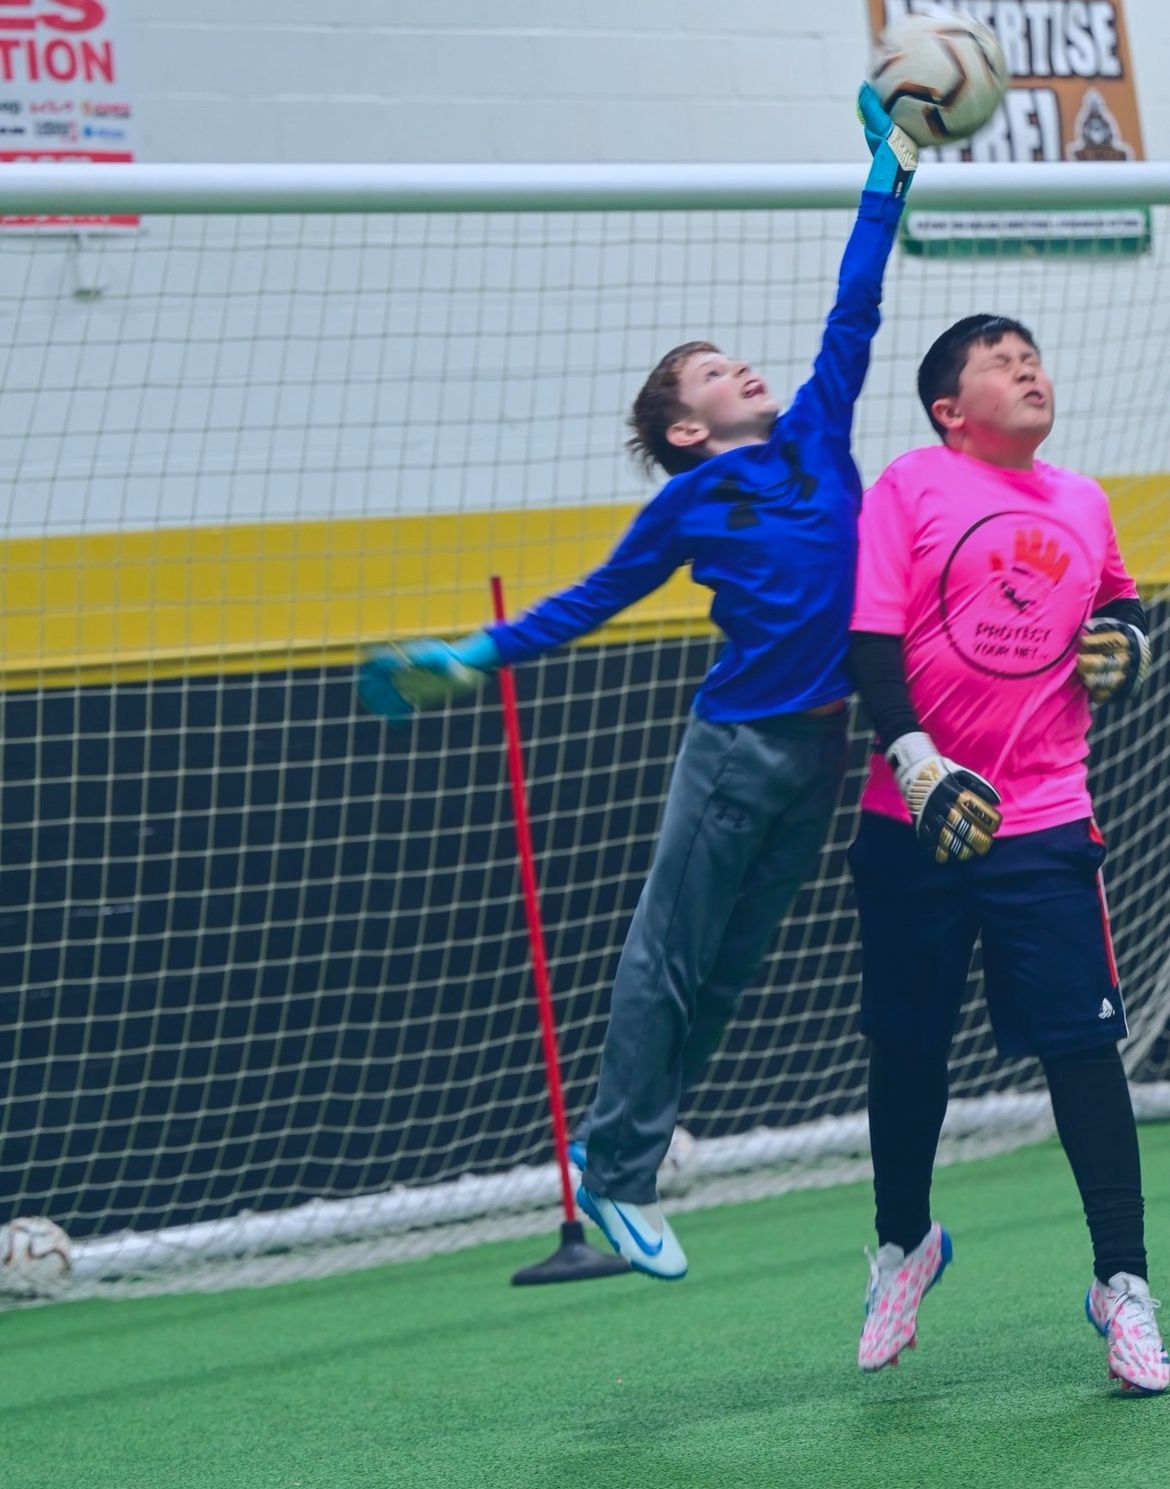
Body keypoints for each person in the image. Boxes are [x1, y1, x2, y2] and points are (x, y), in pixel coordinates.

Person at [359, 88, 919, 1280]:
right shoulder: (691, 499)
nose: (740, 365)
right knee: (664, 958)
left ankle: (635, 1166)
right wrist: (471, 654)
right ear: (686, 431)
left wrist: (893, 171)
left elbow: (855, 303)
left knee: (725, 973)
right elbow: (587, 601)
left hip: (825, 750)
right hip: (739, 751)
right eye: (711, 371)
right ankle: (612, 1178)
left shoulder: (818, 434)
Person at [848, 313, 1167, 1393]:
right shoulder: (910, 485)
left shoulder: (1082, 499)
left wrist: (1128, 640)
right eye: (1001, 359)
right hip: (914, 819)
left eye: (1034, 353)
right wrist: (915, 760)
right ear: (951, 408)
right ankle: (903, 1248)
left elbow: (1121, 604)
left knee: (1084, 1050)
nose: (1029, 365)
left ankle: (1121, 1285)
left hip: (1042, 816)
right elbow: (872, 637)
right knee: (908, 1048)